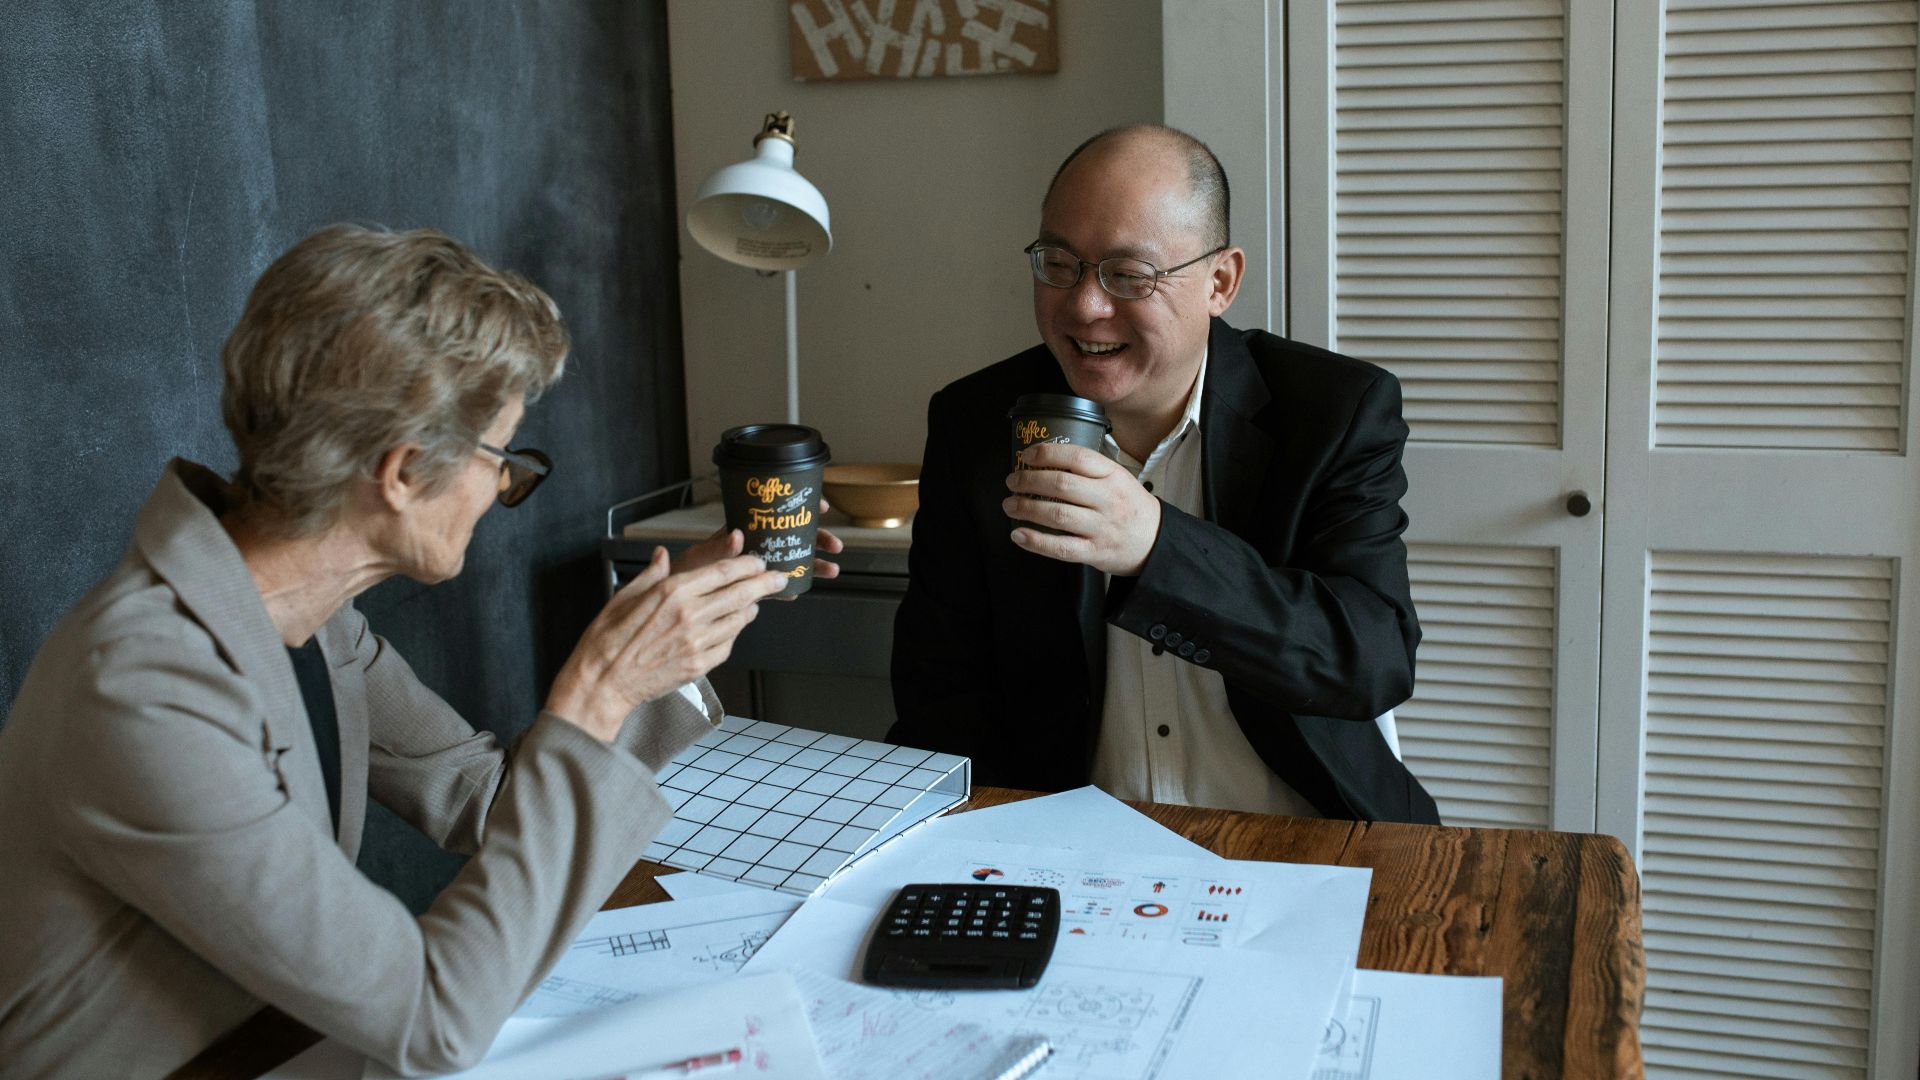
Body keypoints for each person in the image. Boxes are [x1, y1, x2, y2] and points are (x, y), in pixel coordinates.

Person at [0, 225, 816, 1077]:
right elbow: (434, 1020)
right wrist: (596, 694)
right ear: (402, 469)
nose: (504, 486)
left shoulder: (314, 619)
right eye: (499, 456)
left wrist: (665, 656)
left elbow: (491, 800)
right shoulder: (144, 691)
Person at [889, 125, 1439, 824]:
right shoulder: (978, 423)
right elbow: (940, 696)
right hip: (1073, 844)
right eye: (1058, 263)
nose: (1084, 306)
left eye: (1128, 276)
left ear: (1220, 282)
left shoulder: (1333, 411)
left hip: (1301, 834)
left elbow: (1371, 660)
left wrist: (1157, 546)